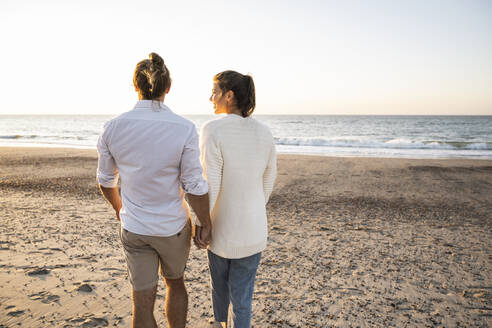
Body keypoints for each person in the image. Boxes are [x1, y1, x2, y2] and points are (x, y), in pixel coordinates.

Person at [97, 52, 211, 328]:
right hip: (172, 226)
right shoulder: (184, 128)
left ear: (135, 87)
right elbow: (194, 184)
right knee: (175, 284)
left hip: (134, 227)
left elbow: (105, 180)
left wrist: (119, 209)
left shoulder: (112, 127)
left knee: (142, 299)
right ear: (167, 88)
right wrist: (205, 222)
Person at [199, 71, 277, 327]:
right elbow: (268, 180)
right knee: (242, 299)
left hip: (222, 230)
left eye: (215, 92)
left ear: (229, 95)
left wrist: (202, 223)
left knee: (220, 291)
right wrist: (251, 208)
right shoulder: (265, 132)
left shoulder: (212, 129)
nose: (211, 97)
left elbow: (211, 183)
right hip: (254, 229)